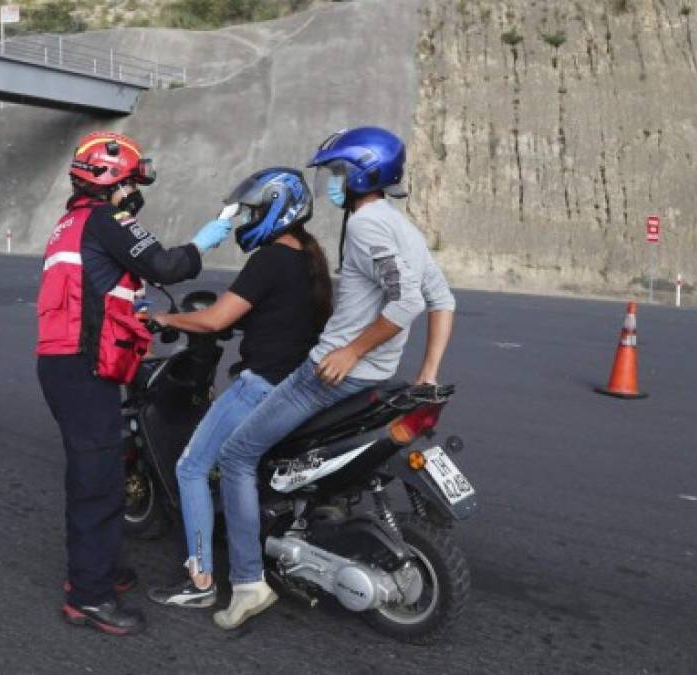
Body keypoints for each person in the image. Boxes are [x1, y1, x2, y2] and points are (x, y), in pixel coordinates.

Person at [212, 126, 457, 630]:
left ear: (361, 174)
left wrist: (350, 350)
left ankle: (247, 583)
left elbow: (407, 302)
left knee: (237, 455)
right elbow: (442, 298)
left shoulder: (367, 226)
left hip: (329, 373)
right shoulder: (400, 225)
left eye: (337, 173)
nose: (332, 184)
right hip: (379, 378)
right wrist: (427, 372)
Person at [36, 130, 234, 636]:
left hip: (68, 364)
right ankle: (89, 595)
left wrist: (135, 311)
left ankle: (93, 567)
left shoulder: (71, 222)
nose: (134, 196)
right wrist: (206, 240)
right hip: (81, 369)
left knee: (94, 471)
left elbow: (95, 293)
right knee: (98, 480)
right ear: (111, 182)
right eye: (130, 185)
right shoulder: (107, 218)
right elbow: (165, 263)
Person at [145, 168, 332, 609]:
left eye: (253, 211)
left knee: (191, 466)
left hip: (261, 384)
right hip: (296, 384)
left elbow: (214, 319)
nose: (246, 221)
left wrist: (163, 319)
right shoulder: (307, 256)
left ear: (275, 210)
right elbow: (276, 313)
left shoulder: (268, 259)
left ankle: (200, 580)